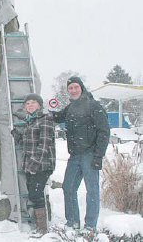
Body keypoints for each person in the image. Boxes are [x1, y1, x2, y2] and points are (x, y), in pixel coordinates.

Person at [52, 76, 110, 233]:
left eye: (75, 87)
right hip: (75, 156)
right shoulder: (70, 108)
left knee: (92, 190)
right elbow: (56, 117)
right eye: (70, 88)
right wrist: (40, 113)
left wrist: (98, 156)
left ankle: (90, 226)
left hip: (90, 154)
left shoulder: (93, 106)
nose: (73, 90)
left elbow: (104, 132)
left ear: (81, 88)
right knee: (68, 187)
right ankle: (72, 223)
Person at [12, 93, 56, 235]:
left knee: (36, 195)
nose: (30, 105)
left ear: (39, 105)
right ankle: (40, 226)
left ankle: (42, 229)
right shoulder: (31, 120)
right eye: (27, 103)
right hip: (31, 165)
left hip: (42, 165)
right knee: (34, 194)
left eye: (33, 102)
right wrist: (17, 136)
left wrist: (33, 166)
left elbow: (44, 145)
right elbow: (28, 143)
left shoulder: (45, 119)